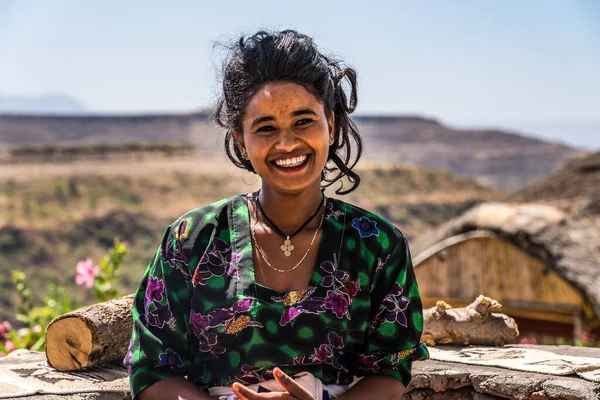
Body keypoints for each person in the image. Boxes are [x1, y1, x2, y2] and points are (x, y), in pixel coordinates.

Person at [125, 30, 429, 400]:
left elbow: (392, 368)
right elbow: (151, 368)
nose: (286, 144)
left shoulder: (376, 245)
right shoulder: (192, 239)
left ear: (330, 125)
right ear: (241, 139)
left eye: (304, 122)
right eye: (266, 128)